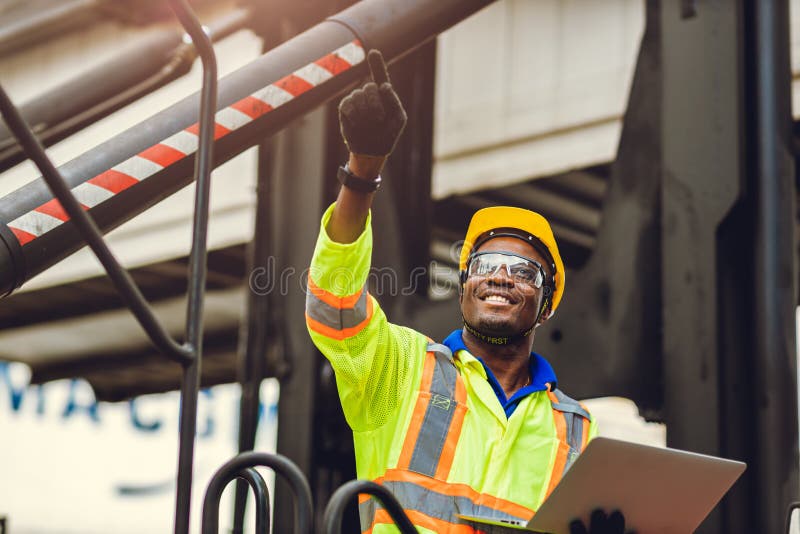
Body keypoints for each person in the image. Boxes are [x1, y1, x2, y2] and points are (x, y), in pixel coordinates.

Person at [305, 50, 630, 534]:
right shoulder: (400, 369)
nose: (500, 277)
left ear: (545, 308)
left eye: (523, 271)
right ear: (464, 288)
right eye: (486, 265)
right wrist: (362, 172)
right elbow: (334, 306)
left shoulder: (578, 432)